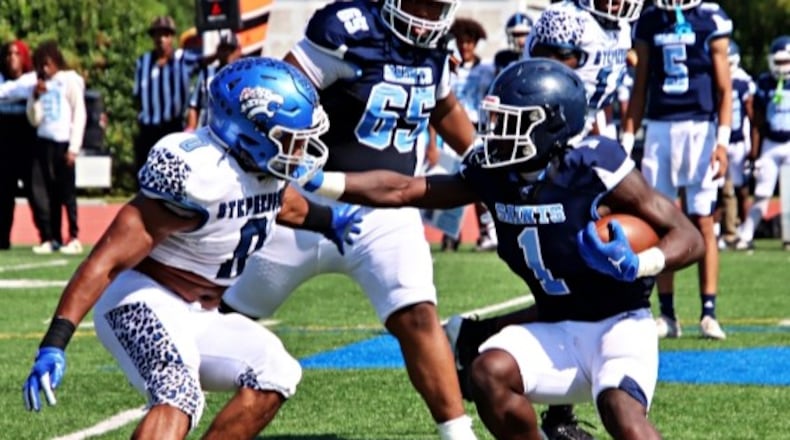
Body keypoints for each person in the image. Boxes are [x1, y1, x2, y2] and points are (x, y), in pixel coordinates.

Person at [295, 58, 705, 440]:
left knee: (622, 414)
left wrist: (639, 263)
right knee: (487, 373)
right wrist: (322, 181)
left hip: (619, 326)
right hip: (557, 326)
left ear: (551, 126)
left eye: (512, 122)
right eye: (496, 119)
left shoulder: (594, 164)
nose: (495, 132)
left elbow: (690, 236)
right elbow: (405, 189)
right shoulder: (494, 173)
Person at [21, 57, 362, 439]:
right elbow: (106, 261)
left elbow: (281, 205)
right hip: (141, 298)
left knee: (276, 371)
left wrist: (329, 222)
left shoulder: (262, 168)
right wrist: (55, 343)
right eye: (290, 139)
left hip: (201, 313)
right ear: (250, 132)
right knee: (179, 394)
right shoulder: (197, 175)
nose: (300, 151)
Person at [220, 1, 480, 438]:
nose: (427, 16)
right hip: (306, 206)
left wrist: (478, 155)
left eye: (437, 7)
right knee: (226, 315)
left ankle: (458, 434)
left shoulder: (435, 48)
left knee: (417, 315)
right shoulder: (348, 29)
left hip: (387, 215)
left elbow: (445, 107)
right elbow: (280, 91)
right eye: (420, 4)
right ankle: (170, 393)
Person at [445, 2, 646, 436]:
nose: (562, 62)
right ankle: (555, 407)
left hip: (578, 140)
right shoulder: (569, 20)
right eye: (553, 53)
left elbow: (675, 231)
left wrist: (644, 262)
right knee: (558, 265)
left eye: (569, 56)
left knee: (585, 260)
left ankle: (490, 341)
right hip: (540, 137)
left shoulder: (622, 31)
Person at [621, 0, 732, 340]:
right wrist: (626, 139)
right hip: (658, 128)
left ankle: (708, 311)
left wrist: (723, 141)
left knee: (703, 220)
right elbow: (640, 86)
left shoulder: (710, 18)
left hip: (700, 128)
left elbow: (724, 88)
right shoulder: (650, 20)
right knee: (659, 221)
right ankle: (667, 313)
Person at [525, 0, 643, 140]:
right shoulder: (567, 17)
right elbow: (545, 85)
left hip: (590, 119)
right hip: (553, 122)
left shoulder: (623, 28)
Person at [26, 41, 87, 255]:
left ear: (56, 61)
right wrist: (35, 97)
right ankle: (50, 237)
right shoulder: (39, 86)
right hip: (44, 142)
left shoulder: (69, 80)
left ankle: (74, 237)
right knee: (43, 193)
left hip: (64, 143)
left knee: (66, 193)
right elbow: (34, 119)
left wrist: (74, 147)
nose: (44, 69)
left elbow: (79, 113)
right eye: (40, 65)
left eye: (47, 64)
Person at [734, 35, 790, 251]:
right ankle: (746, 236)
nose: (782, 67)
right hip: (770, 143)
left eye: (786, 61)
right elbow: (756, 119)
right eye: (779, 62)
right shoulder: (765, 83)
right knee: (762, 193)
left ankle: (788, 238)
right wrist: (755, 153)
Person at [447, 17, 497, 252]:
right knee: (451, 181)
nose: (465, 46)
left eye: (470, 42)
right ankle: (450, 235)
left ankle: (487, 233)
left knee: (481, 183)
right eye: (461, 42)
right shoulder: (450, 67)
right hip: (451, 128)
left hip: (479, 129)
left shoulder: (488, 68)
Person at [133, 16, 201, 173]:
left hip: (172, 126)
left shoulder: (182, 58)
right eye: (157, 35)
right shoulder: (143, 62)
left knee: (172, 172)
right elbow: (137, 96)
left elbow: (205, 60)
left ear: (172, 37)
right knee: (146, 173)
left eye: (165, 35)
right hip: (148, 127)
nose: (161, 39)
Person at [0, 40, 36, 251]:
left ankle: (49, 237)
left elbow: (25, 88)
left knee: (36, 193)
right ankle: (2, 238)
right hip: (4, 147)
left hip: (27, 146)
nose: (11, 58)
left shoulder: (31, 79)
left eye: (16, 53)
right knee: (4, 194)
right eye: (7, 54)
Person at [719, 40, 755, 249]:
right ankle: (726, 229)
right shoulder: (716, 78)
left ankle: (742, 230)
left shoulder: (743, 82)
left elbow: (751, 116)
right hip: (721, 139)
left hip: (739, 141)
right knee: (722, 189)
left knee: (740, 188)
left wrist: (752, 146)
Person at [185, 32, 243, 131]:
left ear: (238, 51)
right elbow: (194, 105)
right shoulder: (207, 73)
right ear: (218, 51)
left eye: (231, 50)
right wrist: (191, 128)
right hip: (207, 131)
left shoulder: (243, 76)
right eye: (224, 49)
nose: (227, 54)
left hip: (233, 132)